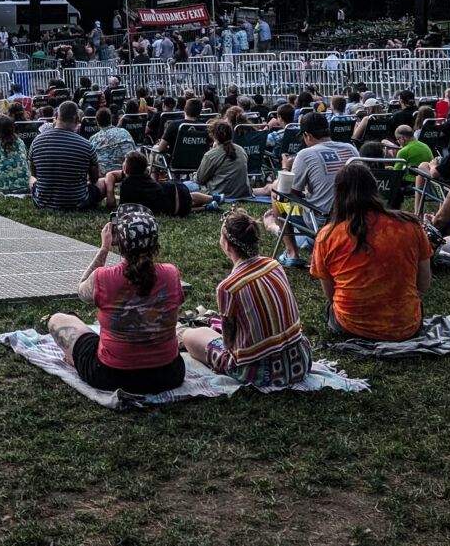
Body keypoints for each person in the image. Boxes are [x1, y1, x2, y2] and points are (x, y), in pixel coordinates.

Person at [46, 206, 186, 394]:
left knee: (57, 320)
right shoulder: (171, 273)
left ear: (119, 243)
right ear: (155, 244)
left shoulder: (103, 277)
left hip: (111, 375)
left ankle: (75, 358)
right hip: (168, 374)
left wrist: (104, 249)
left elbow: (81, 291)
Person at [180, 211, 314, 387]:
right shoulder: (274, 265)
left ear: (227, 245)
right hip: (300, 361)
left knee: (190, 336)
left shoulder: (228, 287)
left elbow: (228, 343)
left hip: (258, 372)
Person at [309, 162, 433, 341]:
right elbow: (424, 284)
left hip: (352, 326)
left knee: (330, 308)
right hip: (406, 326)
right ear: (375, 189)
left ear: (337, 194)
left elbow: (331, 295)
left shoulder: (328, 235)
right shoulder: (410, 226)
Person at [261, 112, 359, 268]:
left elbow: (288, 194)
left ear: (307, 135)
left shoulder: (305, 154)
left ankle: (292, 253)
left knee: (276, 194)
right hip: (356, 215)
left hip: (323, 220)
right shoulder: (350, 149)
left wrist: (286, 168)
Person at [28, 101, 103, 210]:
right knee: (103, 183)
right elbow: (94, 178)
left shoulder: (37, 141)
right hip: (78, 203)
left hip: (42, 202)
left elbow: (34, 173)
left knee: (31, 179)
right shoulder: (86, 145)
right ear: (77, 119)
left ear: (56, 116)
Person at [194, 119, 250, 201]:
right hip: (241, 193)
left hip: (218, 193)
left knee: (188, 185)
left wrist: (194, 175)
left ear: (214, 136)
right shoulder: (241, 150)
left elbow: (199, 180)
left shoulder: (211, 155)